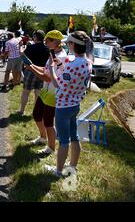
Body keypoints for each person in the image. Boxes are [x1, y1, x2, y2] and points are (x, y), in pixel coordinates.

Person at [45, 31, 92, 177]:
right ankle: (72, 166)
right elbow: (70, 76)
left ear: (72, 45)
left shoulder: (73, 64)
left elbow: (57, 83)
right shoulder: (87, 63)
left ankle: (58, 171)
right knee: (74, 136)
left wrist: (53, 68)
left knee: (64, 140)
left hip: (63, 106)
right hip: (75, 105)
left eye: (69, 43)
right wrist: (60, 64)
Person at [24, 30, 67, 156]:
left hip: (53, 94)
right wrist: (31, 65)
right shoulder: (52, 53)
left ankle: (51, 147)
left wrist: (31, 68)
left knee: (48, 122)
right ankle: (43, 138)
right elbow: (45, 69)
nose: (45, 42)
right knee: (37, 115)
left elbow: (48, 78)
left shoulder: (61, 57)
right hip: (45, 91)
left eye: (48, 40)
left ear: (56, 42)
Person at [17, 30, 50, 115]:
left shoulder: (31, 47)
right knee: (38, 93)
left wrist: (21, 48)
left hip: (30, 71)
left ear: (36, 37)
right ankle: (36, 112)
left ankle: (21, 111)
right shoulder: (47, 49)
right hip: (42, 72)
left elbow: (23, 56)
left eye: (34, 36)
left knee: (26, 92)